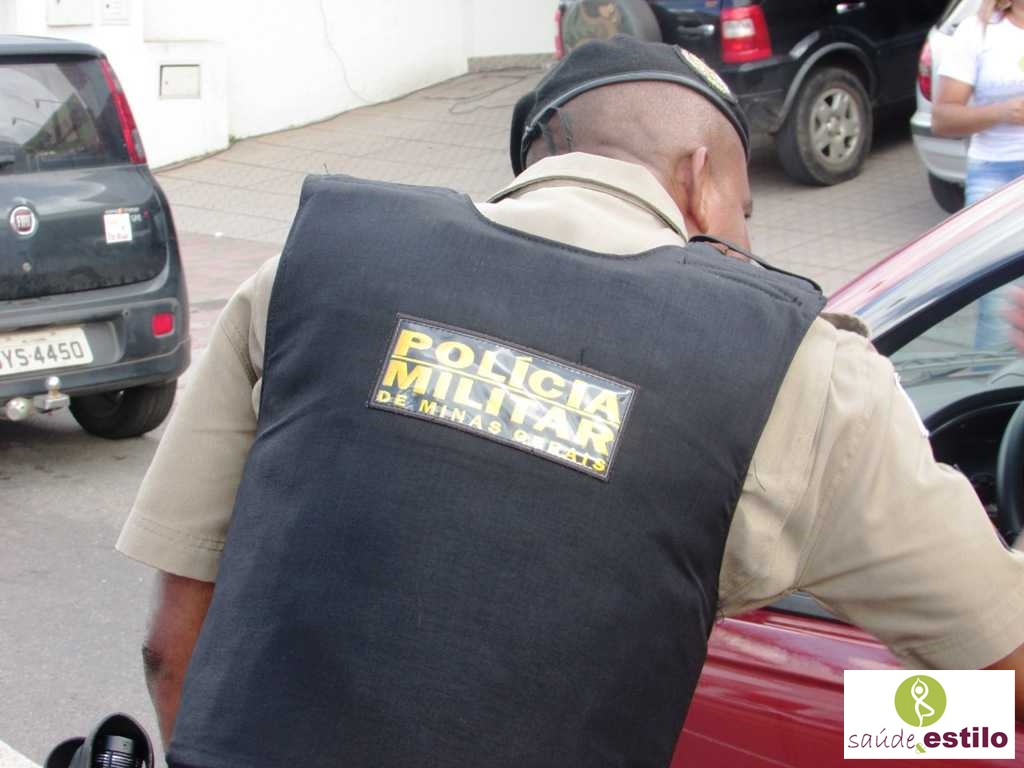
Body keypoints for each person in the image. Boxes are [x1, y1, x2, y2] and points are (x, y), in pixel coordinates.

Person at [119, 37, 1024, 768]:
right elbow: (1003, 671)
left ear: (541, 162)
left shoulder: (308, 270)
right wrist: (885, 726)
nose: (748, 248)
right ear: (699, 177)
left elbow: (173, 648)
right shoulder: (804, 373)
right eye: (747, 210)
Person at [933, 0, 1024, 348]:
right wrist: (1001, 112)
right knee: (997, 304)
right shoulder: (979, 32)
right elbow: (943, 118)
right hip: (994, 178)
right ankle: (992, 377)